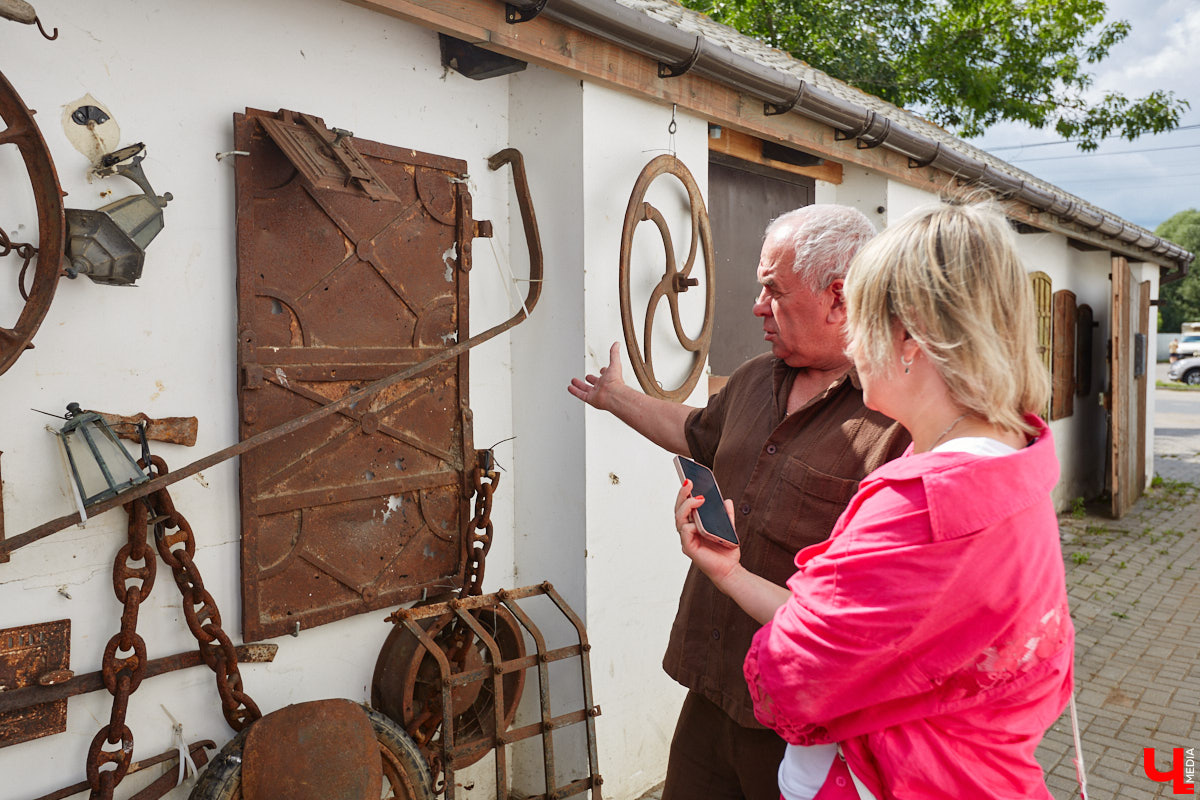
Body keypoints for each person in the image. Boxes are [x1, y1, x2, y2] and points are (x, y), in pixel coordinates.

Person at [673, 200, 1075, 799]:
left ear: (908, 337)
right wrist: (731, 574)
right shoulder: (1008, 462)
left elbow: (795, 674)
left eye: (859, 316)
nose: (852, 341)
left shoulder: (922, 502)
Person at [569, 205, 909, 800]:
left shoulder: (895, 420)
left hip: (804, 723)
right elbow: (697, 432)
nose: (757, 306)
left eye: (773, 290)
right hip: (714, 688)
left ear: (836, 298)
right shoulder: (756, 378)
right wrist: (616, 398)